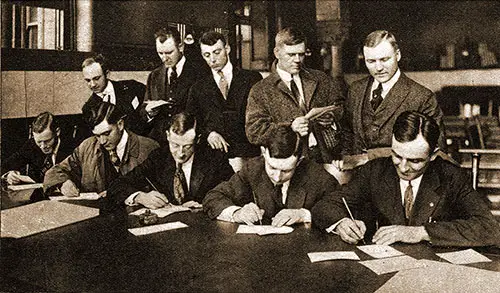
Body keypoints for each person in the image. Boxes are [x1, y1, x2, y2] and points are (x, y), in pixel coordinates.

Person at [312, 111, 500, 247]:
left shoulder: (451, 177)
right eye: (397, 156)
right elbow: (325, 206)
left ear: (433, 155)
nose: (403, 167)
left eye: (415, 161)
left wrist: (421, 232)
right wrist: (342, 223)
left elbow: (490, 228)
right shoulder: (374, 171)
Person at [204, 125, 339, 227]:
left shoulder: (318, 176)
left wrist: (304, 215)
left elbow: (340, 206)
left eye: (286, 171)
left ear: (299, 161)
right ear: (264, 153)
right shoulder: (253, 169)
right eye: (272, 167)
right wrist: (237, 213)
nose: (277, 177)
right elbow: (213, 196)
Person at [246, 27, 344, 164]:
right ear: (277, 52)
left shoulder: (321, 79)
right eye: (291, 55)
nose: (298, 60)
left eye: (301, 54)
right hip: (287, 163)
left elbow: (341, 107)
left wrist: (332, 118)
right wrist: (289, 127)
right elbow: (254, 132)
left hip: (324, 158)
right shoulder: (261, 90)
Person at [344, 30, 445, 156]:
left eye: (384, 59)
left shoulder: (423, 97)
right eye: (371, 61)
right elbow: (346, 136)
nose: (379, 68)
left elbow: (436, 150)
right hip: (359, 174)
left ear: (397, 55)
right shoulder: (355, 90)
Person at [107, 112, 234, 210]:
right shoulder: (159, 157)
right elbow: (117, 185)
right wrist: (140, 197)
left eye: (187, 146)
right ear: (168, 135)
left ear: (197, 139)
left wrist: (205, 205)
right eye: (175, 145)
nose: (180, 153)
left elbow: (236, 194)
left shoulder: (215, 159)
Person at [43, 102, 159, 197]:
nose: (102, 141)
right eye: (98, 135)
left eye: (107, 133)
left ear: (120, 124)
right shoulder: (87, 147)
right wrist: (63, 183)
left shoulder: (148, 148)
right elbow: (55, 171)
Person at [187, 31, 262, 172]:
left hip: (250, 156)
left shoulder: (252, 79)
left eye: (217, 52)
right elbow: (191, 121)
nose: (212, 60)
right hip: (215, 161)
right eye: (207, 55)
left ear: (227, 49)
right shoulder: (197, 88)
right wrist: (208, 134)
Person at [140, 28, 208, 146]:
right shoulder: (154, 76)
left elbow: (207, 112)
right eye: (160, 53)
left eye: (169, 52)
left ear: (181, 47)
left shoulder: (200, 73)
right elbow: (143, 110)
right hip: (161, 143)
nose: (164, 58)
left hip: (190, 142)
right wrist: (149, 112)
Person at [81, 54, 146, 135]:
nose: (92, 84)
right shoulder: (88, 108)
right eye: (88, 80)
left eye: (96, 78)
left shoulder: (132, 87)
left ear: (107, 74)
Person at [2, 112, 74, 184]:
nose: (43, 146)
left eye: (47, 141)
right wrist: (8, 175)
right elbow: (5, 166)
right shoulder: (31, 145)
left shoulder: (71, 147)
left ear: (57, 132)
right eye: (39, 142)